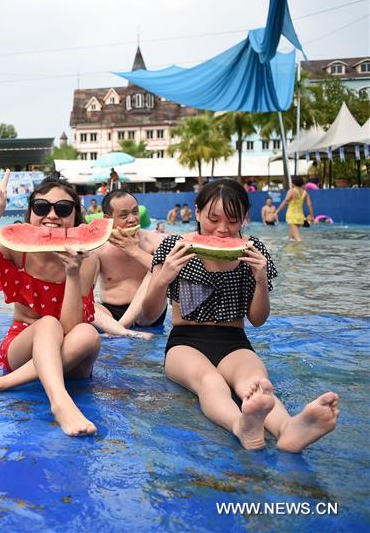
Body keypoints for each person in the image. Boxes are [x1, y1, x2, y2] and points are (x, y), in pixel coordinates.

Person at [140, 179, 338, 451]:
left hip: (234, 341)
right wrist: (164, 278)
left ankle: (288, 429)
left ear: (244, 218)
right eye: (213, 219)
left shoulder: (252, 250)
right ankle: (240, 425)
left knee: (256, 384)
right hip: (185, 342)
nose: (222, 229)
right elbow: (148, 315)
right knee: (209, 381)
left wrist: (260, 279)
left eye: (233, 221)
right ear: (197, 212)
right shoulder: (172, 247)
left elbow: (257, 319)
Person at [0, 170, 101, 437]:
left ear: (75, 217)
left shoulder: (88, 261)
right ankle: (60, 402)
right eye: (42, 207)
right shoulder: (17, 251)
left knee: (88, 334)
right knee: (48, 323)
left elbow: (70, 327)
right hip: (23, 347)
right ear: (30, 213)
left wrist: (72, 272)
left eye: (63, 209)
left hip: (71, 353)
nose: (52, 215)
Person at [90, 190, 166, 338]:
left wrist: (135, 251)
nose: (132, 219)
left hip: (147, 315)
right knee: (79, 299)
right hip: (110, 313)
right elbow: (86, 292)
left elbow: (173, 273)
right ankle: (122, 330)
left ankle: (119, 329)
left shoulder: (154, 241)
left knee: (156, 270)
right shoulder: (98, 249)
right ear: (108, 219)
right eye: (124, 215)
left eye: (135, 212)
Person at [275, 176, 314, 242]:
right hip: (300, 216)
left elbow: (285, 202)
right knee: (291, 238)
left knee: (298, 239)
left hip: (292, 216)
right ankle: (292, 248)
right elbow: (309, 205)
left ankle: (302, 248)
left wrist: (277, 211)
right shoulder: (305, 193)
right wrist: (312, 216)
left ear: (293, 183)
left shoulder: (292, 191)